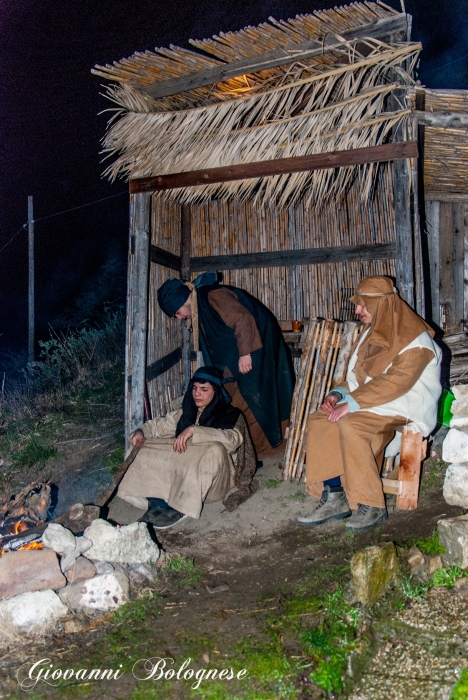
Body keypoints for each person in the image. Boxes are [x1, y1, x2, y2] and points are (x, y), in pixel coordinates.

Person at [297, 275, 442, 532]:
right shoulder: (370, 335)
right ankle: (334, 496)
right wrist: (338, 395)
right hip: (374, 402)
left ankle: (370, 504)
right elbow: (356, 378)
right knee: (320, 419)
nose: (357, 311)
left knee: (352, 425)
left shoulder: (417, 343)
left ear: (382, 306)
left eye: (364, 306)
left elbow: (394, 384)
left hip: (405, 406)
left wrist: (352, 404)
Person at [157, 272, 295, 457]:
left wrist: (245, 353)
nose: (179, 318)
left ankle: (269, 450)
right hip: (236, 358)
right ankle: (250, 451)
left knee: (256, 399)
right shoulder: (200, 307)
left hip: (255, 350)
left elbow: (242, 319)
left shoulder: (212, 295)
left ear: (181, 301)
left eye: (177, 313)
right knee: (234, 398)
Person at [108, 367, 258, 529]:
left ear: (215, 391)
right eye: (194, 388)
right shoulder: (186, 413)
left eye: (204, 389)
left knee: (215, 449)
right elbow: (157, 427)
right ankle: (159, 497)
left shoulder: (232, 414)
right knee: (142, 445)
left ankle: (181, 506)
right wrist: (140, 432)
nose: (197, 393)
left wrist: (195, 430)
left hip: (215, 484)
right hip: (184, 478)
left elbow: (233, 440)